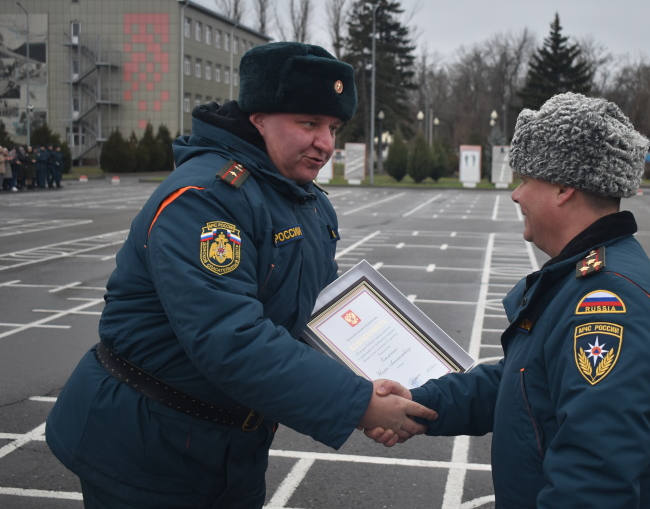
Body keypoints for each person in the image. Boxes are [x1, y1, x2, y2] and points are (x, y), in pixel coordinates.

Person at [45, 42, 436, 509]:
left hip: (229, 446)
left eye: (333, 127)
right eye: (308, 123)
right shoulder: (206, 198)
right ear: (258, 118)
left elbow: (316, 318)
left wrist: (370, 385)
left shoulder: (302, 198)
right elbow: (229, 337)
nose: (326, 144)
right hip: (146, 448)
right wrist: (359, 404)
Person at [368, 93, 650, 508]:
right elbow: (523, 381)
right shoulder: (583, 275)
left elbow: (592, 486)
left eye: (525, 179)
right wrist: (419, 401)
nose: (516, 195)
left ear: (563, 187)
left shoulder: (608, 303)